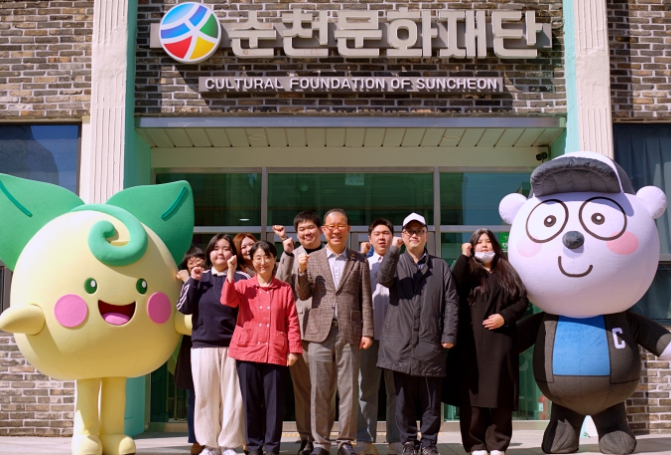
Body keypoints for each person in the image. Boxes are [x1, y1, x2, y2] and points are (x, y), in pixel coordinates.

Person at [376, 213, 459, 455]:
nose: (414, 235)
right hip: (399, 344)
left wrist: (449, 334)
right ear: (403, 235)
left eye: (419, 231)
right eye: (409, 231)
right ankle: (409, 442)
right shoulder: (395, 262)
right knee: (403, 399)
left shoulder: (440, 266)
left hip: (430, 342)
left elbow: (451, 302)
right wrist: (393, 250)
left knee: (431, 399)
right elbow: (383, 279)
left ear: (426, 235)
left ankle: (429, 443)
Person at [296, 208, 374, 455]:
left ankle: (345, 441)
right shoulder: (313, 259)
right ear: (324, 230)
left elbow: (365, 299)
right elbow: (303, 295)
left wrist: (367, 331)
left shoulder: (359, 260)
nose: (336, 230)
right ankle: (320, 442)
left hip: (350, 332)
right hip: (318, 333)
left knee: (348, 389)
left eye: (341, 226)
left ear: (348, 229)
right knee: (319, 390)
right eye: (331, 226)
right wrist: (301, 271)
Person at [444, 229, 528, 455]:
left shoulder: (507, 271)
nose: (484, 245)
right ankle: (476, 444)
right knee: (473, 396)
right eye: (479, 242)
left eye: (488, 242)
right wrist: (464, 257)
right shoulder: (469, 270)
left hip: (501, 342)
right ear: (472, 247)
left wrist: (505, 317)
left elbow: (522, 300)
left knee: (500, 393)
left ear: (495, 246)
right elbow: (454, 285)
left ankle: (497, 443)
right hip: (471, 344)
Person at [221, 240, 303, 455]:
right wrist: (230, 271)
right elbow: (227, 300)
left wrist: (294, 349)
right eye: (258, 257)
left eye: (267, 257)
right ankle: (254, 447)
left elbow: (292, 320)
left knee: (274, 404)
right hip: (246, 351)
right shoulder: (243, 286)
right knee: (251, 403)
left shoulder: (284, 289)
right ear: (252, 260)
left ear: (275, 259)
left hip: (275, 352)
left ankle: (272, 448)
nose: (263, 262)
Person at [177, 234, 249, 455]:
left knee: (233, 398)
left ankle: (229, 445)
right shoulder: (200, 276)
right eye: (216, 248)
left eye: (226, 248)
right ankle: (210, 445)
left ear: (232, 254)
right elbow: (183, 307)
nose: (221, 252)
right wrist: (192, 281)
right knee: (206, 396)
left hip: (234, 347)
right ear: (209, 253)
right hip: (203, 346)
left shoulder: (242, 277)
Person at [273, 211, 324, 455]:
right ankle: (307, 438)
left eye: (310, 227)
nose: (307, 232)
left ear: (320, 229)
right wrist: (287, 253)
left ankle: (322, 437)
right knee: (303, 389)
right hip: (301, 331)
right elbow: (280, 284)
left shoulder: (330, 254)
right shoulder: (293, 255)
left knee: (325, 389)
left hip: (329, 332)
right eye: (302, 229)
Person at [356, 219, 402, 455]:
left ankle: (396, 439)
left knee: (396, 391)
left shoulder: (402, 264)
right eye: (377, 233)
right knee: (366, 389)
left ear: (393, 237)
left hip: (397, 339)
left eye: (386, 233)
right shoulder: (363, 265)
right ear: (370, 238)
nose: (382, 237)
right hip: (368, 336)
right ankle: (364, 440)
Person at [175, 246, 207, 455]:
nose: (195, 264)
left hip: (212, 340)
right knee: (194, 396)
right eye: (190, 261)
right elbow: (184, 308)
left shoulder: (211, 281)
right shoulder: (182, 282)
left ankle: (215, 438)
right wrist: (188, 281)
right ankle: (196, 439)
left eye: (198, 260)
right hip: (191, 343)